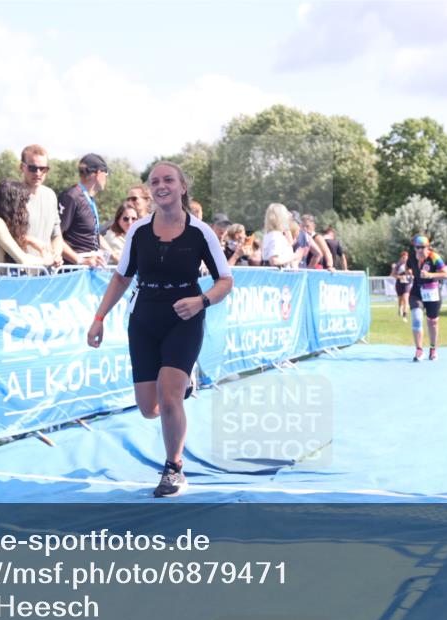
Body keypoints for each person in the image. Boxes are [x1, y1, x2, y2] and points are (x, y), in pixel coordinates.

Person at [87, 161, 233, 498]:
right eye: (154, 181)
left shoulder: (201, 232)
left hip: (185, 318)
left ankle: (174, 468)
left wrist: (202, 302)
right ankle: (182, 383)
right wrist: (99, 318)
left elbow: (225, 281)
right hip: (144, 319)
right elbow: (121, 277)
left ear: (182, 187)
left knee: (169, 400)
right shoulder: (138, 230)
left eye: (169, 179)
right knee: (149, 409)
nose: (161, 185)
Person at [58, 153, 115, 266]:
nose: (106, 178)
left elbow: (95, 235)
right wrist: (81, 261)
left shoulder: (88, 198)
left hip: (88, 269)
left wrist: (116, 257)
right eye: (106, 173)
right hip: (73, 271)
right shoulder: (71, 196)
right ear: (98, 173)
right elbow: (55, 236)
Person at [0, 180, 52, 267]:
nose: (25, 207)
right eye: (22, 202)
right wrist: (47, 261)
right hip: (2, 280)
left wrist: (33, 243)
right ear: (13, 204)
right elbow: (24, 260)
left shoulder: (6, 226)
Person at [19, 144, 63, 267]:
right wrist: (29, 240)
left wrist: (56, 255)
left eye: (43, 168)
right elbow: (4, 235)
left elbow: (57, 235)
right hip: (18, 271)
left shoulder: (51, 195)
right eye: (33, 168)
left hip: (45, 272)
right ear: (22, 167)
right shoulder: (11, 195)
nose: (38, 172)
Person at [407, 235, 447, 362]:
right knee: (416, 318)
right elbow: (408, 267)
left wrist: (430, 274)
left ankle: (433, 349)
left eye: (423, 247)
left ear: (428, 247)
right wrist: (409, 272)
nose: (420, 250)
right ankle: (419, 350)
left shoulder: (434, 257)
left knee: (433, 322)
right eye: (417, 247)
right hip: (416, 291)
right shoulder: (411, 256)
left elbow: (446, 274)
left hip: (432, 291)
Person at [261, 203, 304, 268]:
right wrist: (294, 256)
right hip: (278, 275)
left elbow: (290, 243)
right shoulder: (276, 236)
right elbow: (274, 261)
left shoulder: (270, 235)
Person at [392, 251, 410, 317]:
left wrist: (410, 274)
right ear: (401, 258)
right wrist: (400, 277)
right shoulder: (398, 265)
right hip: (399, 283)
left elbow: (413, 273)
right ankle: (400, 308)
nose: (405, 259)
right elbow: (393, 274)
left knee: (406, 298)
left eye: (406, 257)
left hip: (407, 284)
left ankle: (405, 313)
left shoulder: (410, 265)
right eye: (403, 257)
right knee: (400, 299)